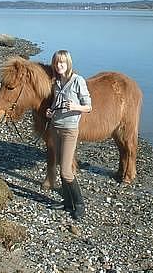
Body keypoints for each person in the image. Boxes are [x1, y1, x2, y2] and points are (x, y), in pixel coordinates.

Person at [46, 50, 92, 219]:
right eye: (57, 62)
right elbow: (54, 103)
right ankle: (67, 202)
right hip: (55, 127)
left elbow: (88, 106)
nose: (59, 65)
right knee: (61, 166)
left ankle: (79, 204)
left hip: (70, 130)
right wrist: (49, 112)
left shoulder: (78, 81)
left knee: (66, 170)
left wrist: (75, 107)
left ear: (68, 63)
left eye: (62, 62)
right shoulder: (57, 82)